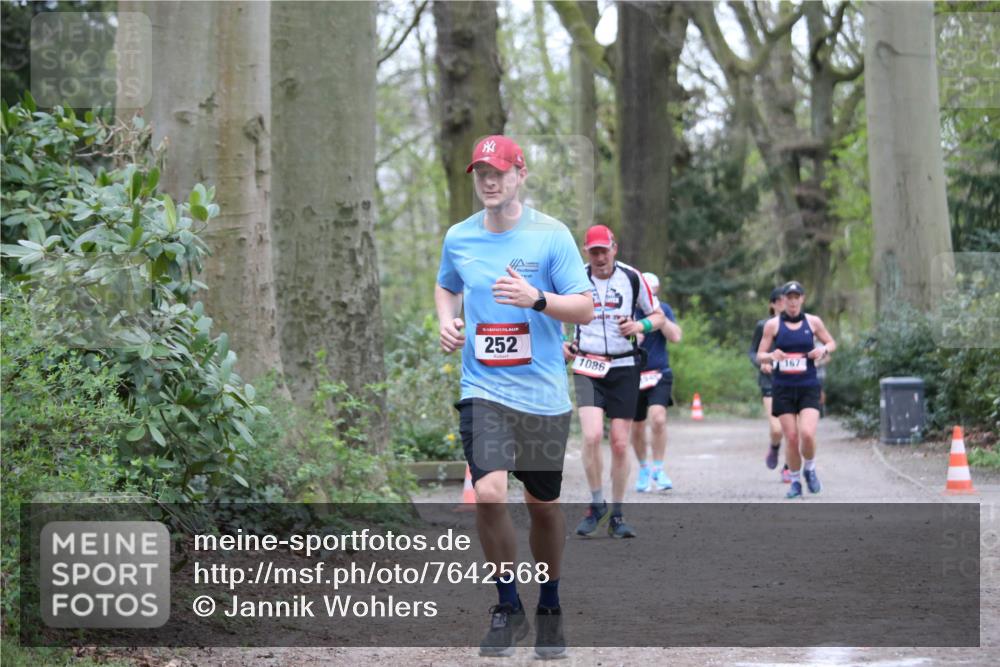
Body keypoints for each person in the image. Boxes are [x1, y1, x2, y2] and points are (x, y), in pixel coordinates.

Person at [436, 135, 594, 658]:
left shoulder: (552, 236)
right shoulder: (459, 237)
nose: (488, 180)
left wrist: (538, 299)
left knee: (543, 506)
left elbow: (585, 308)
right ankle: (507, 605)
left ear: (520, 174)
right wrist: (447, 321)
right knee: (488, 494)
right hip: (483, 389)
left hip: (543, 395)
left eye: (499, 171)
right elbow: (446, 284)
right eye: (481, 171)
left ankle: (549, 602)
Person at [563, 225, 665, 538]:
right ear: (585, 252)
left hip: (624, 367)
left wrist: (639, 325)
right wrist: (562, 343)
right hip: (587, 365)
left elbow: (658, 317)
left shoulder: (632, 278)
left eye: (604, 250)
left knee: (620, 442)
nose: (599, 257)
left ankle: (617, 515)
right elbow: (554, 313)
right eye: (593, 251)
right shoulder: (574, 278)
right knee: (592, 436)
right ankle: (596, 504)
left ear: (614, 249)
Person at [756, 281, 836, 499]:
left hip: (808, 386)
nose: (792, 301)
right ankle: (794, 481)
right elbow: (760, 354)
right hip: (783, 388)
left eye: (796, 297)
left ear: (802, 299)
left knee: (807, 434)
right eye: (788, 297)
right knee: (791, 437)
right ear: (783, 301)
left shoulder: (813, 322)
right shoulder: (772, 325)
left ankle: (809, 469)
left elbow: (831, 343)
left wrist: (821, 351)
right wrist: (772, 356)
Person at [630, 272, 682, 492]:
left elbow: (676, 337)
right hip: (632, 374)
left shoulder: (664, 310)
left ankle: (658, 469)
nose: (649, 293)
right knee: (637, 426)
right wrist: (633, 334)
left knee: (658, 419)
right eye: (646, 289)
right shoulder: (628, 310)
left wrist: (659, 320)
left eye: (653, 290)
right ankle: (643, 468)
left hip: (659, 373)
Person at [749, 287, 791, 483]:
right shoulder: (763, 326)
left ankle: (788, 467)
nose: (786, 303)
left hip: (793, 381)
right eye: (781, 300)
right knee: (777, 429)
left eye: (789, 299)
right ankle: (774, 448)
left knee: (793, 430)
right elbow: (753, 352)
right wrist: (762, 362)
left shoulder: (798, 326)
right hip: (770, 381)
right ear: (772, 304)